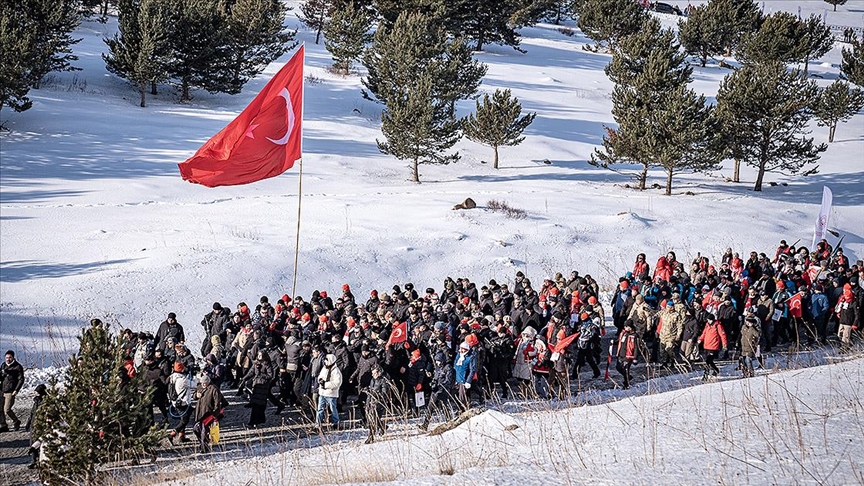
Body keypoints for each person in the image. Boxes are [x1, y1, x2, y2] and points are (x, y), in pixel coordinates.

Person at [193, 373, 227, 453]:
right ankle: (204, 442)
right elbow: (194, 396)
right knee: (196, 429)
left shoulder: (213, 389)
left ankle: (204, 447)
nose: (203, 385)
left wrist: (215, 414)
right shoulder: (199, 387)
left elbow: (217, 402)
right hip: (199, 413)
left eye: (205, 383)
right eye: (202, 383)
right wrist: (196, 395)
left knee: (204, 430)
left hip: (209, 413)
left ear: (208, 382)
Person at [364, 366, 394, 444]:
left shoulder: (383, 380)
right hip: (372, 402)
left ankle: (371, 437)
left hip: (379, 403)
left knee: (373, 420)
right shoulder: (372, 380)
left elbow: (384, 393)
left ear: (379, 372)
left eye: (375, 373)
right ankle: (383, 426)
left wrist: (376, 394)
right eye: (372, 373)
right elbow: (370, 393)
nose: (373, 374)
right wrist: (367, 403)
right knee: (374, 419)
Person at [0, 349, 24, 432]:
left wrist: (16, 390)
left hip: (11, 390)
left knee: (7, 409)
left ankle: (16, 421)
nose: (8, 359)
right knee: (0, 409)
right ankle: (3, 425)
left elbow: (21, 379)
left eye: (9, 357)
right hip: (2, 390)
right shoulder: (3, 365)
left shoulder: (18, 367)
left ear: (13, 357)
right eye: (6, 357)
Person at [316, 354, 342, 428]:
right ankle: (318, 424)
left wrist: (325, 384)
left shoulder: (336, 371)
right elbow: (320, 376)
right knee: (320, 409)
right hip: (322, 393)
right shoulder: (324, 368)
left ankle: (336, 423)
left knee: (333, 409)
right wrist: (320, 380)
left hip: (331, 393)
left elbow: (337, 383)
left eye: (326, 360)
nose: (325, 361)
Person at [615, 322, 639, 389]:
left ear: (630, 327)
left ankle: (626, 384)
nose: (625, 328)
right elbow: (620, 341)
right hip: (620, 354)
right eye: (625, 327)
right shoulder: (624, 333)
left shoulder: (634, 336)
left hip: (628, 355)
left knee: (626, 370)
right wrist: (614, 342)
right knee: (618, 367)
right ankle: (628, 377)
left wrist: (635, 358)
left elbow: (636, 347)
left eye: (627, 327)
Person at [739, 310, 762, 378]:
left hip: (750, 347)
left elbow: (758, 335)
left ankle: (751, 373)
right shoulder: (744, 327)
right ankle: (745, 373)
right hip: (743, 346)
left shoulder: (753, 329)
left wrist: (752, 327)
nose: (747, 323)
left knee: (748, 360)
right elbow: (741, 335)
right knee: (743, 361)